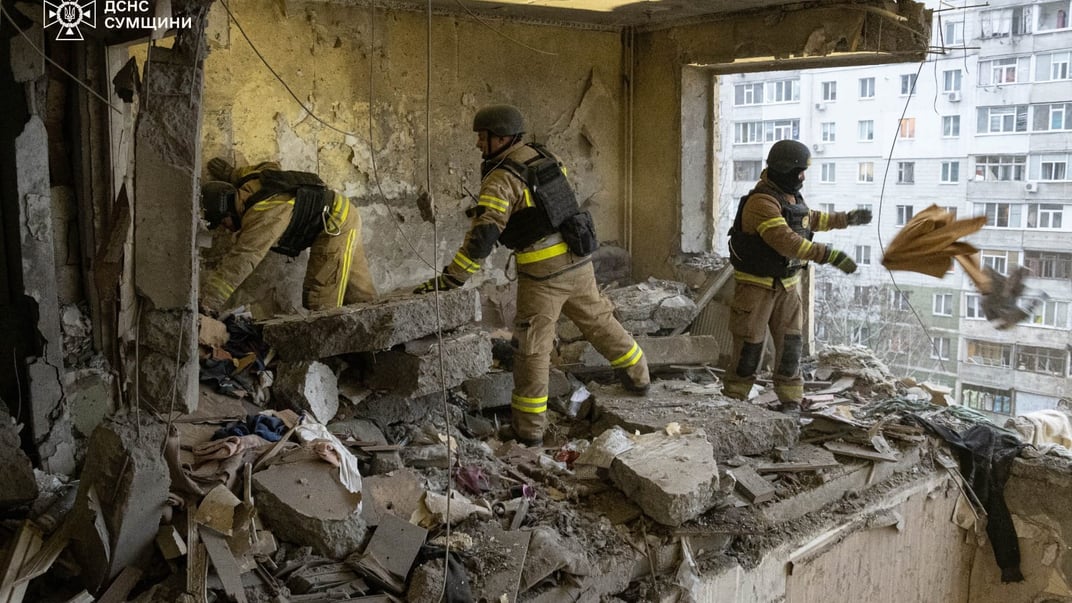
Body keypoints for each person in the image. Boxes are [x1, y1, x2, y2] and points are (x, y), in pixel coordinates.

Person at [414, 104, 649, 446]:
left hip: (543, 276)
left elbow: (483, 237)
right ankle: (639, 376)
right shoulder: (544, 157)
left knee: (532, 349)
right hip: (579, 262)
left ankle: (528, 430)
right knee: (599, 321)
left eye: (483, 137)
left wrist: (452, 279)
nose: (478, 144)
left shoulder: (501, 177)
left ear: (502, 137)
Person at [723, 139, 870, 414]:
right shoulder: (760, 202)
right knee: (749, 348)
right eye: (798, 171)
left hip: (788, 288)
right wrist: (829, 255)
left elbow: (808, 218)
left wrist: (845, 219)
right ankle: (734, 402)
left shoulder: (790, 197)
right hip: (756, 289)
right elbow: (786, 241)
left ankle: (791, 399)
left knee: (791, 347)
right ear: (782, 169)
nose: (802, 177)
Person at [198, 159, 376, 316]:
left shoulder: (262, 215)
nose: (226, 228)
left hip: (333, 227)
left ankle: (329, 353)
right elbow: (269, 165)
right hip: (345, 212)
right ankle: (377, 342)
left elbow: (243, 258)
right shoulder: (251, 179)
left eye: (223, 222)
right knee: (360, 293)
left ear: (227, 210)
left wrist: (210, 300)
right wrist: (231, 173)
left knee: (321, 301)